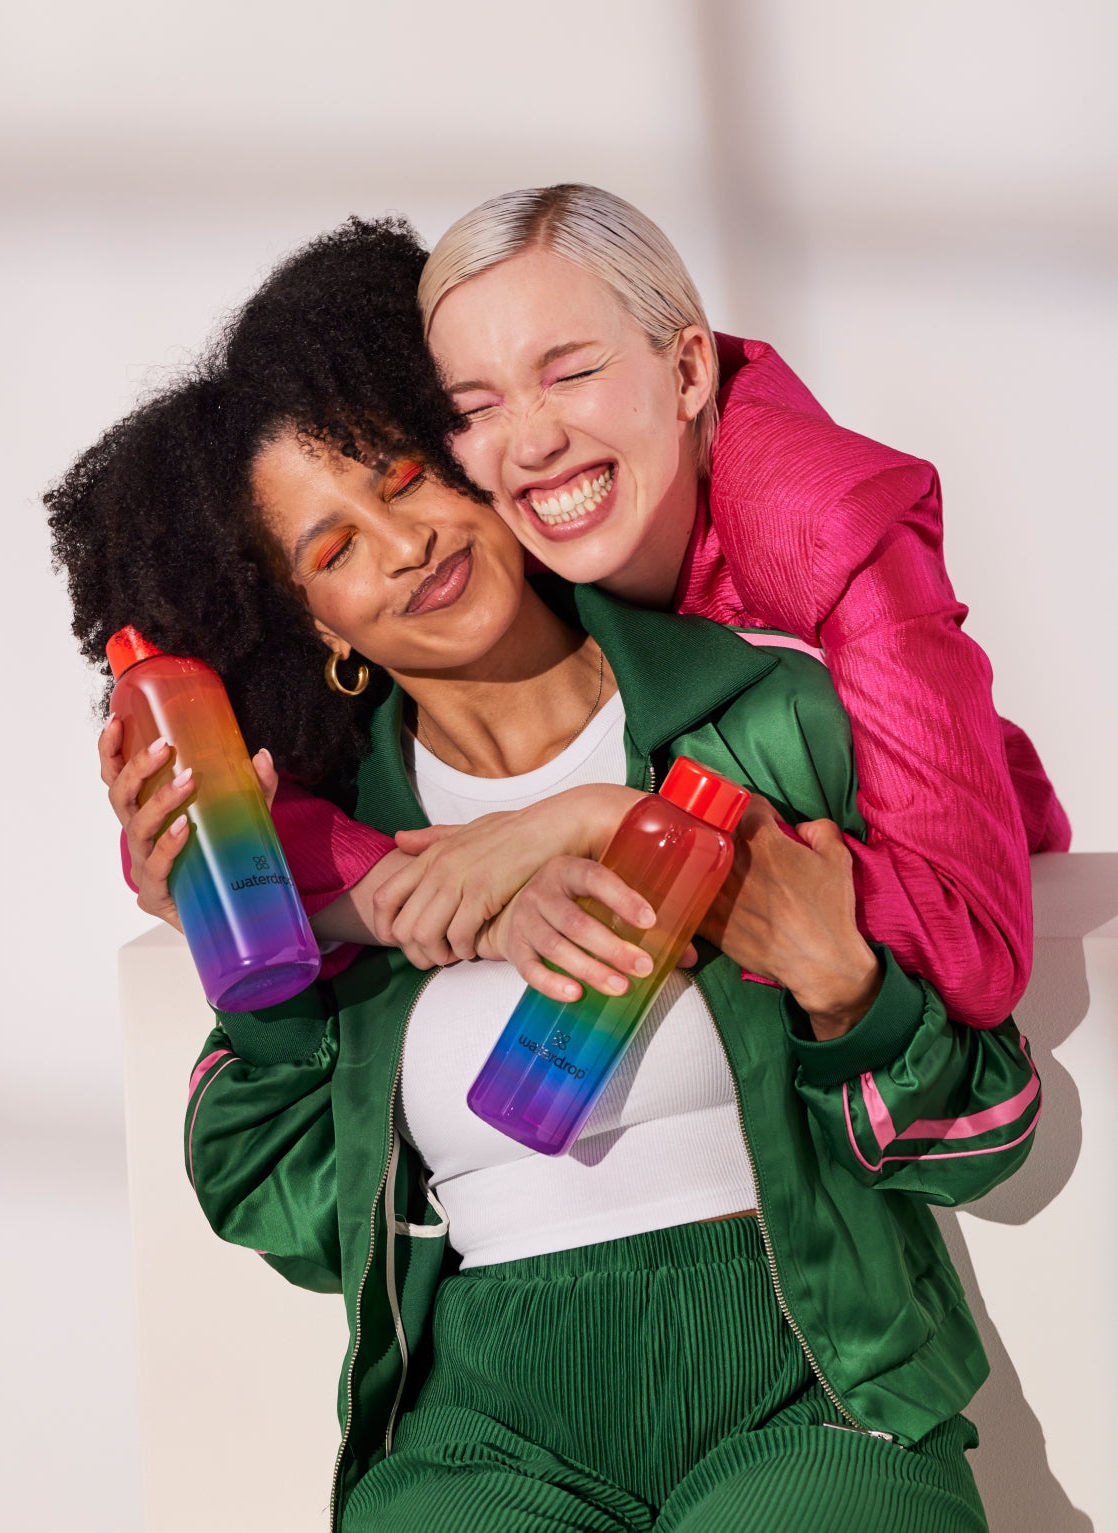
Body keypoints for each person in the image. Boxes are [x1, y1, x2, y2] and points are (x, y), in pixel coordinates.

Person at [48, 219, 1038, 1532]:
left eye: (402, 476)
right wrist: (238, 933)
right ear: (309, 625)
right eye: (332, 550)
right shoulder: (339, 858)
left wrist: (845, 986)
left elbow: (981, 1130)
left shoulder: (760, 721)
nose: (398, 548)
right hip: (483, 1434)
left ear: (468, 454)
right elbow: (279, 1203)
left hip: (807, 1384)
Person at [222, 184, 1067, 1031]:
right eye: (474, 407)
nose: (532, 440)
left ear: (689, 369)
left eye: (573, 372)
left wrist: (601, 822)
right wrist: (347, 886)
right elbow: (229, 806)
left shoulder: (827, 522)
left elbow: (976, 947)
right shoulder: (495, 543)